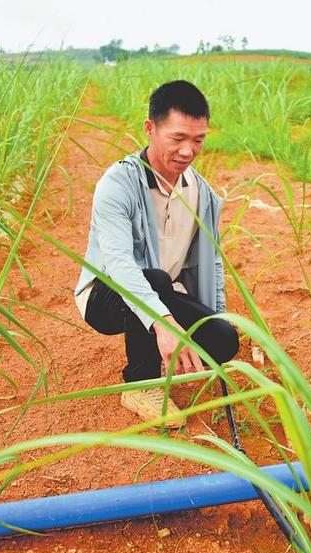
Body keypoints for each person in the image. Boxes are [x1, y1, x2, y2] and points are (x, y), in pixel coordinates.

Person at [74, 80, 238, 429]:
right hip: (106, 297)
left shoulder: (201, 193)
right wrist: (164, 325)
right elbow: (119, 265)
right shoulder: (118, 185)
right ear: (150, 128)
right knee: (154, 277)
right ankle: (140, 384)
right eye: (177, 138)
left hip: (162, 294)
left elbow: (211, 261)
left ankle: (162, 342)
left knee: (223, 341)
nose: (187, 151)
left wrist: (217, 314)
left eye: (198, 140)